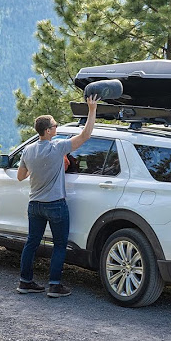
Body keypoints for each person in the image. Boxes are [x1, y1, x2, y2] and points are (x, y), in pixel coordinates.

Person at [16, 94, 100, 297]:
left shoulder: (27, 150)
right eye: (54, 125)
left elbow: (20, 176)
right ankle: (54, 285)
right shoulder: (58, 147)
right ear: (47, 131)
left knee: (31, 243)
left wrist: (37, 170)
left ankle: (25, 282)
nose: (57, 127)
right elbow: (85, 135)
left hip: (34, 205)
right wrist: (92, 110)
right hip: (55, 205)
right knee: (60, 244)